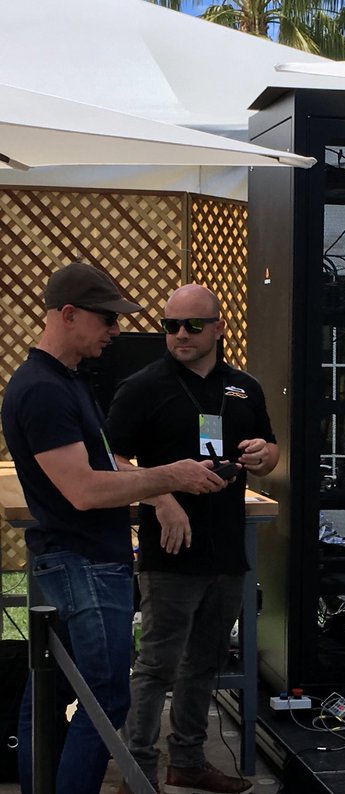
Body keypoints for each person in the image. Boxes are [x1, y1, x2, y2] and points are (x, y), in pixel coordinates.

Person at [0, 262, 230, 794]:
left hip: (74, 556)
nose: (117, 329)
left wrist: (161, 493)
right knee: (105, 698)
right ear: (68, 314)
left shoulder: (64, 381)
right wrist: (170, 476)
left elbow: (106, 462)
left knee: (49, 693)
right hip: (82, 560)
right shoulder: (42, 390)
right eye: (107, 318)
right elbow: (82, 489)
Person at [106, 285, 279, 794]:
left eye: (192, 325)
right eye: (171, 325)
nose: (180, 334)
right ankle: (137, 768)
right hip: (171, 548)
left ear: (219, 328)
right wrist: (161, 496)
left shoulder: (243, 387)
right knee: (157, 662)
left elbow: (269, 447)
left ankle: (187, 761)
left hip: (226, 545)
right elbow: (110, 458)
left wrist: (264, 455)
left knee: (204, 661)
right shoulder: (142, 386)